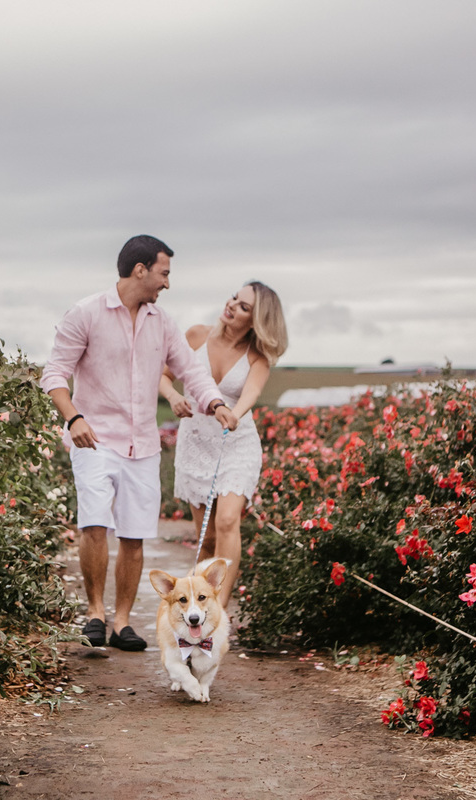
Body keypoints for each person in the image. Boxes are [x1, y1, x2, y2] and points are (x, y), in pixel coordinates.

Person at [41, 235, 239, 651]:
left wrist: (215, 403)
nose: (167, 283)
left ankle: (122, 623)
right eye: (164, 273)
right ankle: (95, 613)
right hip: (93, 437)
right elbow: (54, 375)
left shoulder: (163, 323)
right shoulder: (85, 313)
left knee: (134, 535)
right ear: (140, 270)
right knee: (94, 522)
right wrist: (73, 417)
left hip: (143, 445)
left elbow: (191, 371)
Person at [159, 281, 288, 609]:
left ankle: (219, 613)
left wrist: (234, 414)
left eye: (244, 307)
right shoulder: (195, 336)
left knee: (228, 521)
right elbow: (162, 375)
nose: (232, 306)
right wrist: (174, 397)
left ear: (256, 321)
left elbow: (251, 395)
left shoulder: (257, 358)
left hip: (236, 444)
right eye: (235, 298)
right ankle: (195, 610)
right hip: (195, 443)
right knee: (208, 539)